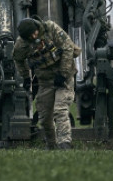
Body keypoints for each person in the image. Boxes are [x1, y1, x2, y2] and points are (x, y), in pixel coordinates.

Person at [13, 16, 77, 149]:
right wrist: (26, 77)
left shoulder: (50, 28)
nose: (34, 35)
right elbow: (18, 59)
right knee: (44, 115)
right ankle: (51, 145)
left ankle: (64, 143)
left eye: (35, 32)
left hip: (64, 78)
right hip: (45, 81)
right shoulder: (22, 44)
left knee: (60, 109)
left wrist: (63, 73)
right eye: (30, 35)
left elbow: (68, 47)